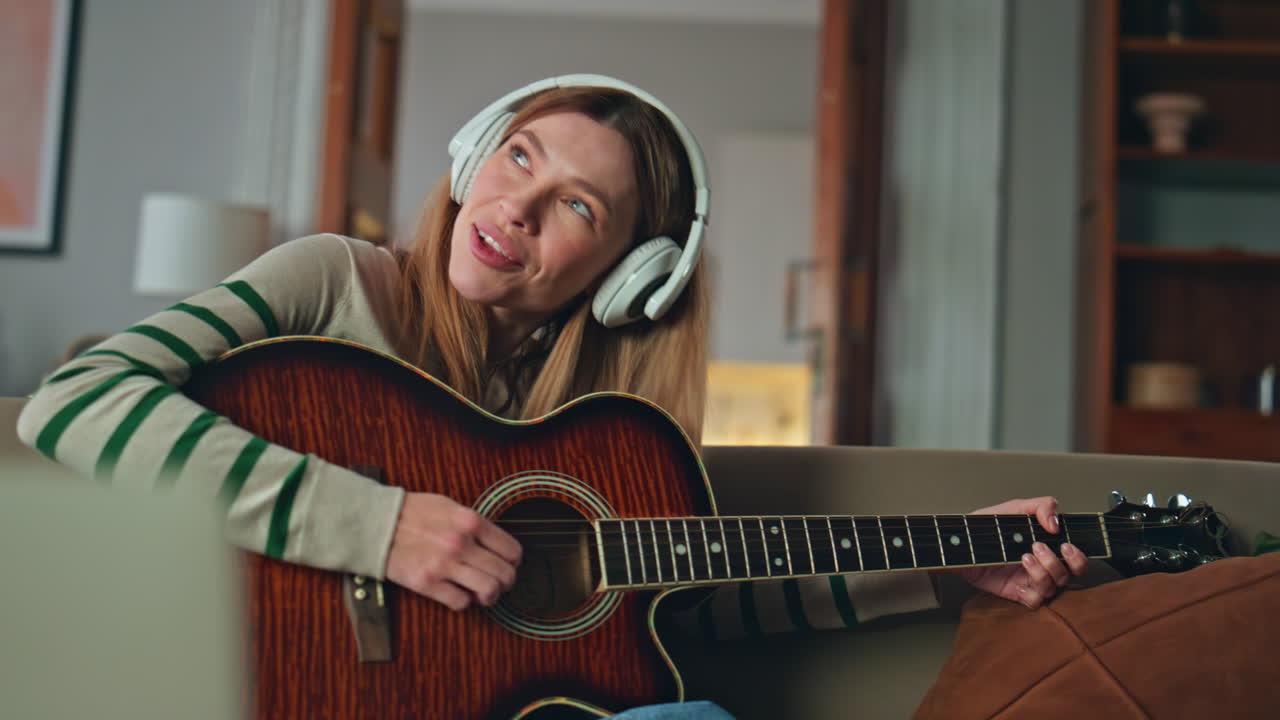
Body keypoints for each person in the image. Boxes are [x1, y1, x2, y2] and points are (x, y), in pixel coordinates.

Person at [16, 75, 1084, 718]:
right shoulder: (332, 281)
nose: (515, 205)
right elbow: (73, 404)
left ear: (632, 274)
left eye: (573, 202)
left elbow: (678, 607)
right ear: (475, 155)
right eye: (516, 155)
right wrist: (374, 526)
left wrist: (937, 568)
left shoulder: (610, 440)